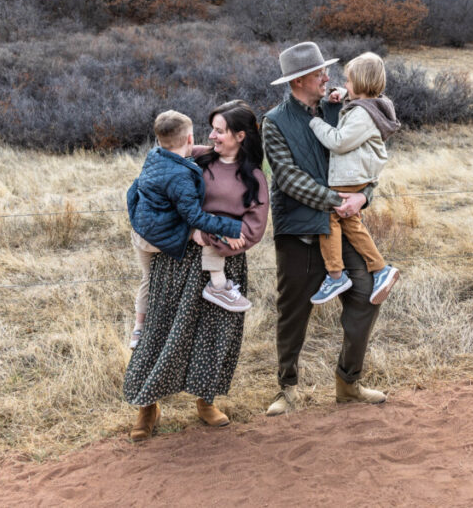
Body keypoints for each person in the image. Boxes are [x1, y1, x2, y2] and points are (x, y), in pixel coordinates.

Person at [124, 101, 269, 441]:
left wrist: (226, 240)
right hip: (178, 255)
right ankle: (148, 406)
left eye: (219, 130)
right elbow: (159, 171)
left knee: (214, 335)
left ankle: (205, 402)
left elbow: (255, 227)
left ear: (240, 136)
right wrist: (186, 233)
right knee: (160, 331)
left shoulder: (254, 178)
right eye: (211, 129)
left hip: (223, 262)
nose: (212, 136)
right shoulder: (197, 156)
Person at [262, 42, 388, 417]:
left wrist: (364, 196)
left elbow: (364, 162)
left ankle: (348, 383)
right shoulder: (274, 122)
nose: (327, 77)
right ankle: (286, 388)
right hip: (298, 229)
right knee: (293, 310)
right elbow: (286, 177)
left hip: (344, 224)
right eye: (319, 73)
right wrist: (336, 200)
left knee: (367, 295)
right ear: (300, 80)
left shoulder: (342, 109)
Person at [126, 110, 247, 351]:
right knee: (208, 227)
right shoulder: (181, 176)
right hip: (160, 236)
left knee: (147, 279)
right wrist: (231, 227)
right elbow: (194, 216)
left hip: (140, 233)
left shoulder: (154, 156)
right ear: (190, 139)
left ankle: (138, 329)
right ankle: (218, 285)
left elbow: (134, 189)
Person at [307, 52, 401, 306]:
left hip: (349, 175)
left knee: (329, 216)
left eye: (348, 81)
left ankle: (335, 274)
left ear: (360, 83)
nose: (344, 85)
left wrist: (315, 123)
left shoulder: (362, 114)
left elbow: (339, 142)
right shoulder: (374, 104)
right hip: (358, 175)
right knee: (350, 222)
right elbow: (359, 101)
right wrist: (341, 93)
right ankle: (380, 269)